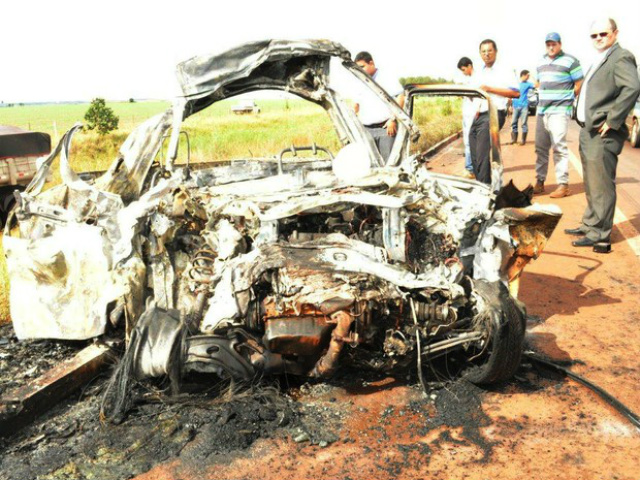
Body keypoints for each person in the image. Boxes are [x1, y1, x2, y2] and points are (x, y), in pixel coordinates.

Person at [566, 18, 640, 248]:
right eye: (594, 35)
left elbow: (633, 87)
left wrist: (614, 119)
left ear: (615, 33)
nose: (598, 38)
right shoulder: (600, 58)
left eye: (603, 34)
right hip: (589, 130)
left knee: (602, 183)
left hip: (603, 131)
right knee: (591, 181)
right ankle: (590, 224)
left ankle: (600, 235)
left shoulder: (621, 56)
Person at [534, 32, 584, 198]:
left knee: (558, 147)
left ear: (560, 44)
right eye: (548, 44)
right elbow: (538, 82)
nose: (551, 46)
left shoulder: (571, 61)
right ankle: (540, 182)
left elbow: (579, 84)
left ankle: (563, 185)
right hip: (542, 111)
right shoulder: (540, 62)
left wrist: (568, 97)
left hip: (560, 110)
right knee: (540, 148)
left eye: (553, 43)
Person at [469, 39, 520, 185]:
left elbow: (516, 93)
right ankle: (482, 185)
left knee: (482, 154)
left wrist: (490, 89)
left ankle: (485, 191)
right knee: (474, 151)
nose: (486, 54)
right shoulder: (479, 72)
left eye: (489, 51)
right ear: (480, 54)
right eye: (483, 51)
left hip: (494, 113)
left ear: (496, 52)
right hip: (480, 114)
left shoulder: (504, 70)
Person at [353, 51, 405, 161]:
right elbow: (356, 104)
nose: (361, 70)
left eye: (363, 66)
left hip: (385, 129)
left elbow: (400, 96)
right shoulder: (359, 80)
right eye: (358, 68)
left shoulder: (386, 77)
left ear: (371, 63)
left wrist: (393, 119)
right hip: (366, 130)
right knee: (369, 164)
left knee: (389, 163)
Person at [457, 57, 476, 178]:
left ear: (469, 66)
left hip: (473, 114)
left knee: (469, 143)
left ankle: (470, 169)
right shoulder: (467, 79)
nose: (463, 72)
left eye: (464, 69)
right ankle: (470, 167)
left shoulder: (476, 79)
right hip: (466, 114)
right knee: (467, 142)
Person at [510, 70, 535, 145]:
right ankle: (514, 140)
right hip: (515, 105)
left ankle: (523, 140)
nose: (528, 77)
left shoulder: (528, 84)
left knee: (524, 123)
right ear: (523, 75)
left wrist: (532, 76)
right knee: (513, 123)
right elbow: (510, 94)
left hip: (524, 105)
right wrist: (510, 106)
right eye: (527, 76)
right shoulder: (515, 83)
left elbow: (536, 85)